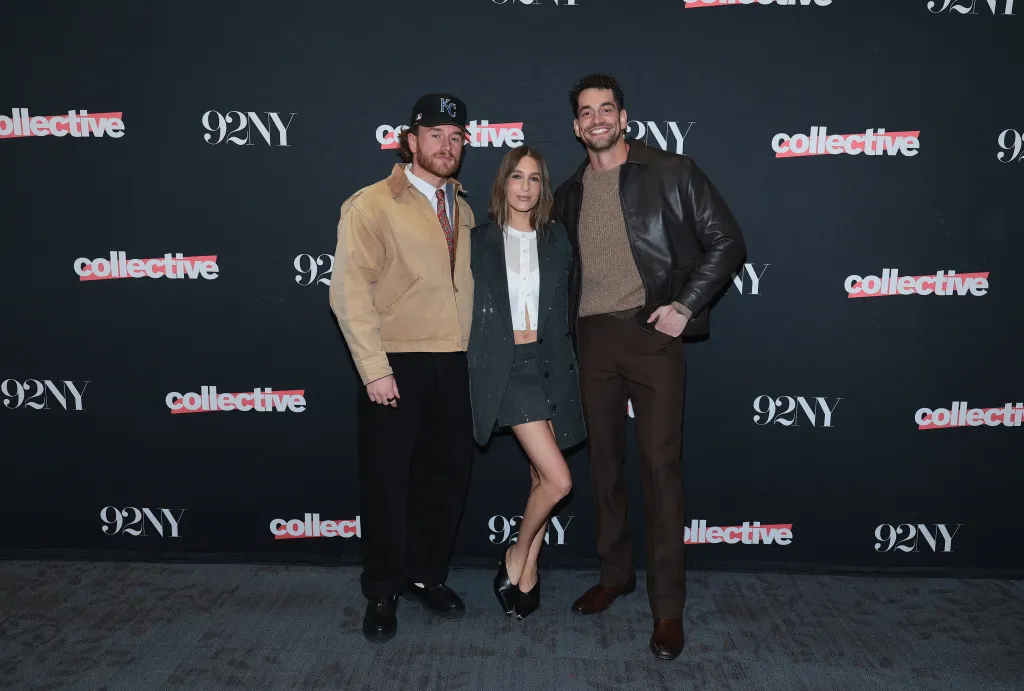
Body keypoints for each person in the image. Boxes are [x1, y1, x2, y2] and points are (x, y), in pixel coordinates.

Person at [552, 74, 746, 661]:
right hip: (591, 340)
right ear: (576, 126)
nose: (597, 119)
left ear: (624, 117)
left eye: (606, 108)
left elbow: (728, 241)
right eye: (586, 112)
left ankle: (668, 608)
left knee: (661, 471)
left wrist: (684, 307)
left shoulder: (672, 171)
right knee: (603, 468)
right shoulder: (567, 193)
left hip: (651, 335)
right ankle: (615, 576)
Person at [329, 93, 476, 643]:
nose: (446, 145)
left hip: (455, 361)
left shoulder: (462, 206)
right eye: (435, 134)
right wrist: (374, 368)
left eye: (455, 136)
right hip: (397, 362)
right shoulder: (370, 204)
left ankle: (425, 575)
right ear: (410, 140)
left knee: (445, 479)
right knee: (387, 483)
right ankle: (383, 589)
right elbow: (349, 291)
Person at [467, 146, 586, 620]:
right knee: (559, 480)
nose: (525, 186)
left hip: (551, 365)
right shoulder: (478, 241)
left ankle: (530, 569)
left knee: (540, 477)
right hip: (508, 369)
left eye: (534, 178)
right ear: (503, 183)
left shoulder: (558, 240)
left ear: (543, 188)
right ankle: (516, 554)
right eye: (517, 176)